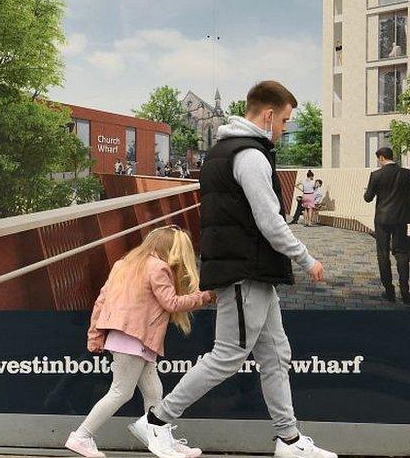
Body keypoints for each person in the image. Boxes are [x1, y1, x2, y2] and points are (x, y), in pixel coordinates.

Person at [133, 81, 335, 458]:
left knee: (277, 355)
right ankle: (157, 420)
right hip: (245, 271)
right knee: (227, 355)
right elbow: (271, 222)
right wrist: (307, 259)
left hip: (251, 271)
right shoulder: (251, 155)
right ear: (268, 115)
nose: (285, 129)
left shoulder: (223, 152)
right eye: (285, 121)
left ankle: (288, 440)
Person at [64, 226, 215, 458]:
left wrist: (94, 336)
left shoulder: (123, 264)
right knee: (121, 391)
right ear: (170, 249)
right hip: (136, 337)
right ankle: (81, 436)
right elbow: (172, 303)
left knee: (154, 392)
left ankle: (161, 439)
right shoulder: (158, 267)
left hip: (128, 337)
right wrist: (204, 296)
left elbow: (101, 302)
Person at [363, 147, 410, 304]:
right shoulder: (406, 174)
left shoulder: (376, 175)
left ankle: (389, 292)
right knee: (402, 253)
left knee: (383, 254)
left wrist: (367, 191)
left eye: (379, 159)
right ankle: (405, 292)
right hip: (401, 219)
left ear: (382, 158)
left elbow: (368, 198)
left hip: (382, 219)